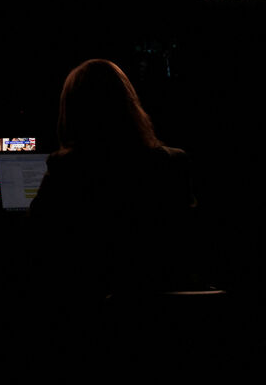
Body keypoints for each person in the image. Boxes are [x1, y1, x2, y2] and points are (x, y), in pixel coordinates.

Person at [28, 58, 199, 297]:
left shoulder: (67, 171)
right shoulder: (172, 163)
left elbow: (38, 245)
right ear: (130, 104)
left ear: (74, 112)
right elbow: (188, 243)